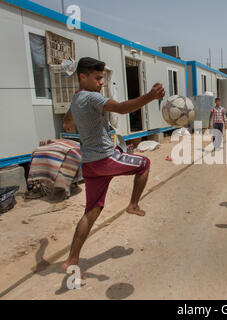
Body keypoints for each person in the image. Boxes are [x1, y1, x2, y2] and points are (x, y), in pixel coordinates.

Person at [61, 57, 165, 273]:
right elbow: (121, 108)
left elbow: (68, 123)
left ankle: (72, 259)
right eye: (97, 78)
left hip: (89, 163)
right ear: (83, 77)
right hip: (104, 158)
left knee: (92, 210)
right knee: (144, 163)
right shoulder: (92, 97)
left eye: (102, 78)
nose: (101, 82)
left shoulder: (76, 98)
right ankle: (133, 205)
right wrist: (149, 96)